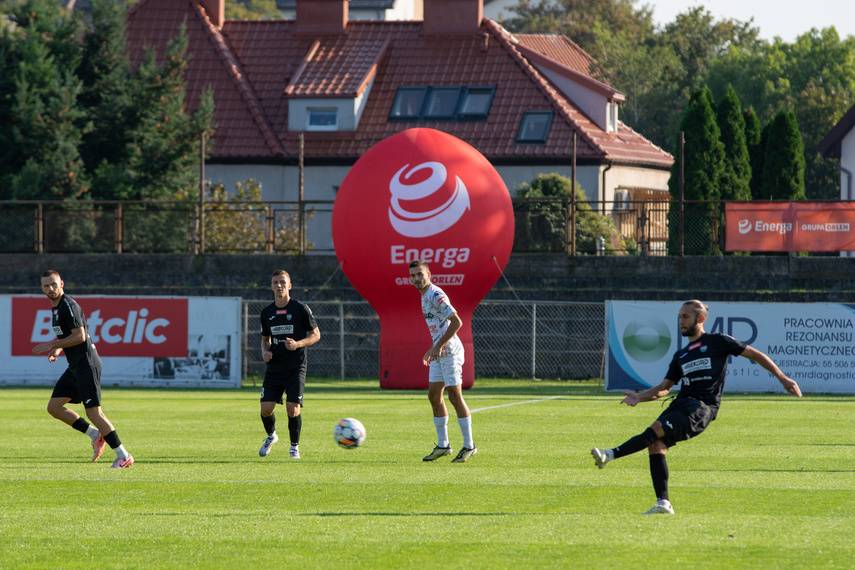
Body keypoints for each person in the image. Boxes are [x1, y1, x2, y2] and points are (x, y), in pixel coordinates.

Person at [591, 300, 801, 514]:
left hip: (701, 407)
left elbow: (755, 355)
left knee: (655, 430)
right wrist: (639, 397)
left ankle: (611, 454)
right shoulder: (681, 355)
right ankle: (663, 503)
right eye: (679, 317)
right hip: (681, 403)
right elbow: (664, 388)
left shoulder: (718, 341)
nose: (680, 321)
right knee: (656, 445)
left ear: (700, 319)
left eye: (685, 317)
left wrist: (783, 378)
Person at [32, 270, 134, 468]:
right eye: (46, 286)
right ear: (42, 288)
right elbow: (68, 336)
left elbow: (80, 336)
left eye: (53, 284)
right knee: (54, 408)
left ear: (62, 283)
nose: (50, 289)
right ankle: (95, 435)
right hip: (75, 366)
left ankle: (123, 455)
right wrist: (59, 348)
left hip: (87, 365)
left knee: (94, 413)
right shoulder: (56, 308)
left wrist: (50, 345)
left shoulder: (68, 306)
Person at [409, 260, 477, 463]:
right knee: (433, 396)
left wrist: (437, 346)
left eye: (420, 274)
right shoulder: (423, 296)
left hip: (450, 353)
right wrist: (436, 347)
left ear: (429, 274)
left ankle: (469, 446)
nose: (417, 279)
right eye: (413, 276)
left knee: (455, 397)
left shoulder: (436, 294)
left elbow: (457, 322)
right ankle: (443, 445)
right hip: (439, 353)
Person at [259, 270, 320, 459]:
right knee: (265, 409)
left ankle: (294, 447)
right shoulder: (266, 313)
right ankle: (272, 436)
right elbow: (264, 339)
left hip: (295, 367)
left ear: (289, 285)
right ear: (271, 286)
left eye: (283, 282)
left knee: (292, 409)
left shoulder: (300, 309)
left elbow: (315, 335)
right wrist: (265, 352)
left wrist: (297, 344)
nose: (279, 286)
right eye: (275, 282)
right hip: (275, 368)